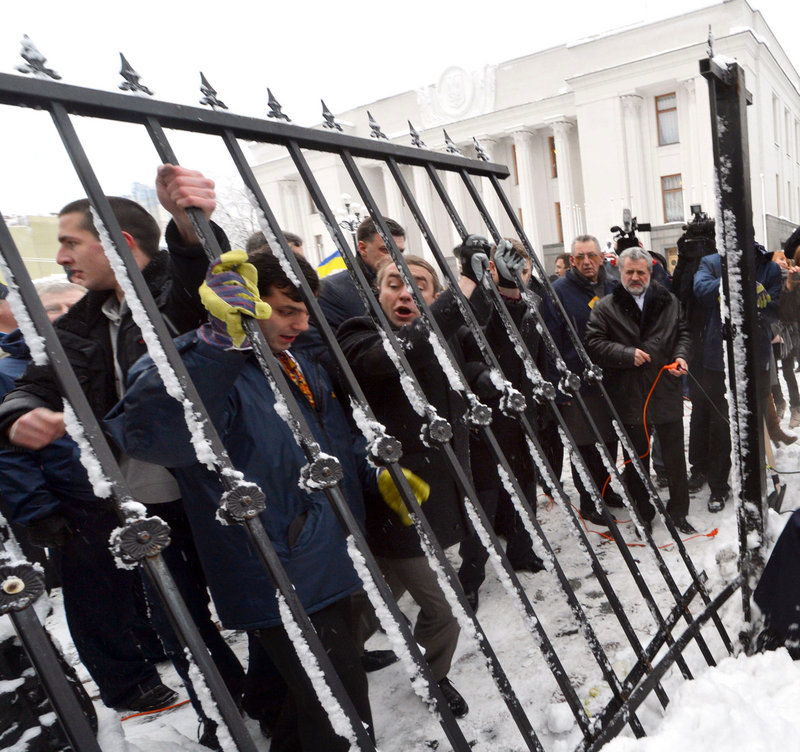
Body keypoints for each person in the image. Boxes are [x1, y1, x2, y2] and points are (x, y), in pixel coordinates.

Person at [0, 169, 244, 739]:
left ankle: (279, 706)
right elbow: (35, 382)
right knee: (181, 625)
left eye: (70, 241)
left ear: (120, 244)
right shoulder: (82, 322)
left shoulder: (170, 297)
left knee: (255, 610)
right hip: (138, 505)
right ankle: (220, 713)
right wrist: (19, 414)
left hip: (214, 491)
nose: (60, 256)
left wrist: (188, 227)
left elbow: (195, 281)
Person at [107, 250, 375, 751]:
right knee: (343, 714)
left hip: (329, 557)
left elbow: (324, 443)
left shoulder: (293, 360)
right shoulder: (201, 361)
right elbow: (154, 437)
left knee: (312, 710)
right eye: (287, 310)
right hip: (275, 567)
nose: (300, 322)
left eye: (306, 310)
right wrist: (216, 344)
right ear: (248, 305)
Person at [338, 248, 492, 719]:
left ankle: (342, 653)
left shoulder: (436, 335)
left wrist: (491, 284)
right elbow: (392, 357)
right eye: (395, 284)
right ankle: (434, 675)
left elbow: (469, 332)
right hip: (393, 498)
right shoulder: (358, 333)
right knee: (442, 611)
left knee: (378, 593)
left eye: (419, 285)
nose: (406, 291)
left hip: (439, 491)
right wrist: (460, 285)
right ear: (377, 292)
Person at [458, 239, 546, 612]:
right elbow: (467, 343)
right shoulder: (480, 304)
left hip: (522, 411)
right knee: (486, 496)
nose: (518, 277)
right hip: (486, 415)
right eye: (509, 270)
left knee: (525, 487)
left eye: (522, 270)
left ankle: (522, 551)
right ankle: (470, 577)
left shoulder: (532, 303)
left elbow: (538, 354)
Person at [584, 247, 694, 534]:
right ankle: (643, 514)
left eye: (640, 272)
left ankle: (679, 511)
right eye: (629, 272)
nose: (635, 277)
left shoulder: (668, 300)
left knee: (674, 458)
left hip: (665, 387)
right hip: (629, 393)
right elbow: (593, 343)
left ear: (650, 272)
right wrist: (625, 353)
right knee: (636, 460)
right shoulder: (605, 306)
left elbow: (683, 333)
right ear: (620, 272)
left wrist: (681, 356)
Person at [541, 234, 623, 526]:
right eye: (580, 257)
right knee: (586, 445)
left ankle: (604, 489)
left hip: (611, 379)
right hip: (577, 382)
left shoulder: (613, 285)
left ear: (601, 257)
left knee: (609, 440)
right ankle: (589, 501)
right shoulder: (559, 291)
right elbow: (549, 341)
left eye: (592, 255)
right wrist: (559, 383)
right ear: (572, 261)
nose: (587, 262)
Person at [693, 241, 781, 512]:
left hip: (756, 355)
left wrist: (759, 299)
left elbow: (775, 307)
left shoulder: (769, 267)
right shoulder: (711, 262)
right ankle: (719, 485)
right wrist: (735, 287)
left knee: (756, 419)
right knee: (722, 423)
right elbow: (701, 289)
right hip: (719, 357)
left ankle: (757, 477)